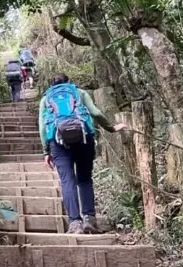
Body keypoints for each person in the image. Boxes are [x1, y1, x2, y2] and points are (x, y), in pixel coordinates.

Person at [38, 74, 126, 234]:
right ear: (69, 82)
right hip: (84, 139)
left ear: (51, 85)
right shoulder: (79, 92)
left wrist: (46, 151)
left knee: (67, 181)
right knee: (84, 179)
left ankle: (75, 223)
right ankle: (89, 220)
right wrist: (111, 128)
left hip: (58, 142)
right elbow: (96, 113)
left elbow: (43, 128)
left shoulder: (46, 99)